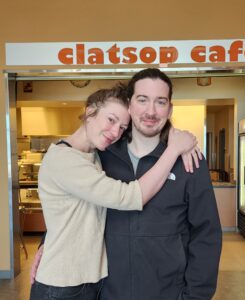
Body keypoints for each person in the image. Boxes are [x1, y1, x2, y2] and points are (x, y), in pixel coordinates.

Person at [29, 83, 199, 300]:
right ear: (90, 112)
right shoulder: (64, 159)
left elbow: (72, 214)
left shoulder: (94, 155)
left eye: (122, 127)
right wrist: (174, 149)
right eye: (111, 119)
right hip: (62, 286)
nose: (115, 132)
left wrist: (180, 138)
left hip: (89, 282)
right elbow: (129, 197)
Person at [97, 68, 222, 300]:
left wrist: (195, 296)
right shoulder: (101, 157)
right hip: (108, 292)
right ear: (129, 104)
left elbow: (206, 234)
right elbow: (74, 209)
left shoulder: (190, 161)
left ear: (170, 108)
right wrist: (46, 244)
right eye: (142, 100)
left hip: (168, 293)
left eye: (160, 102)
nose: (151, 111)